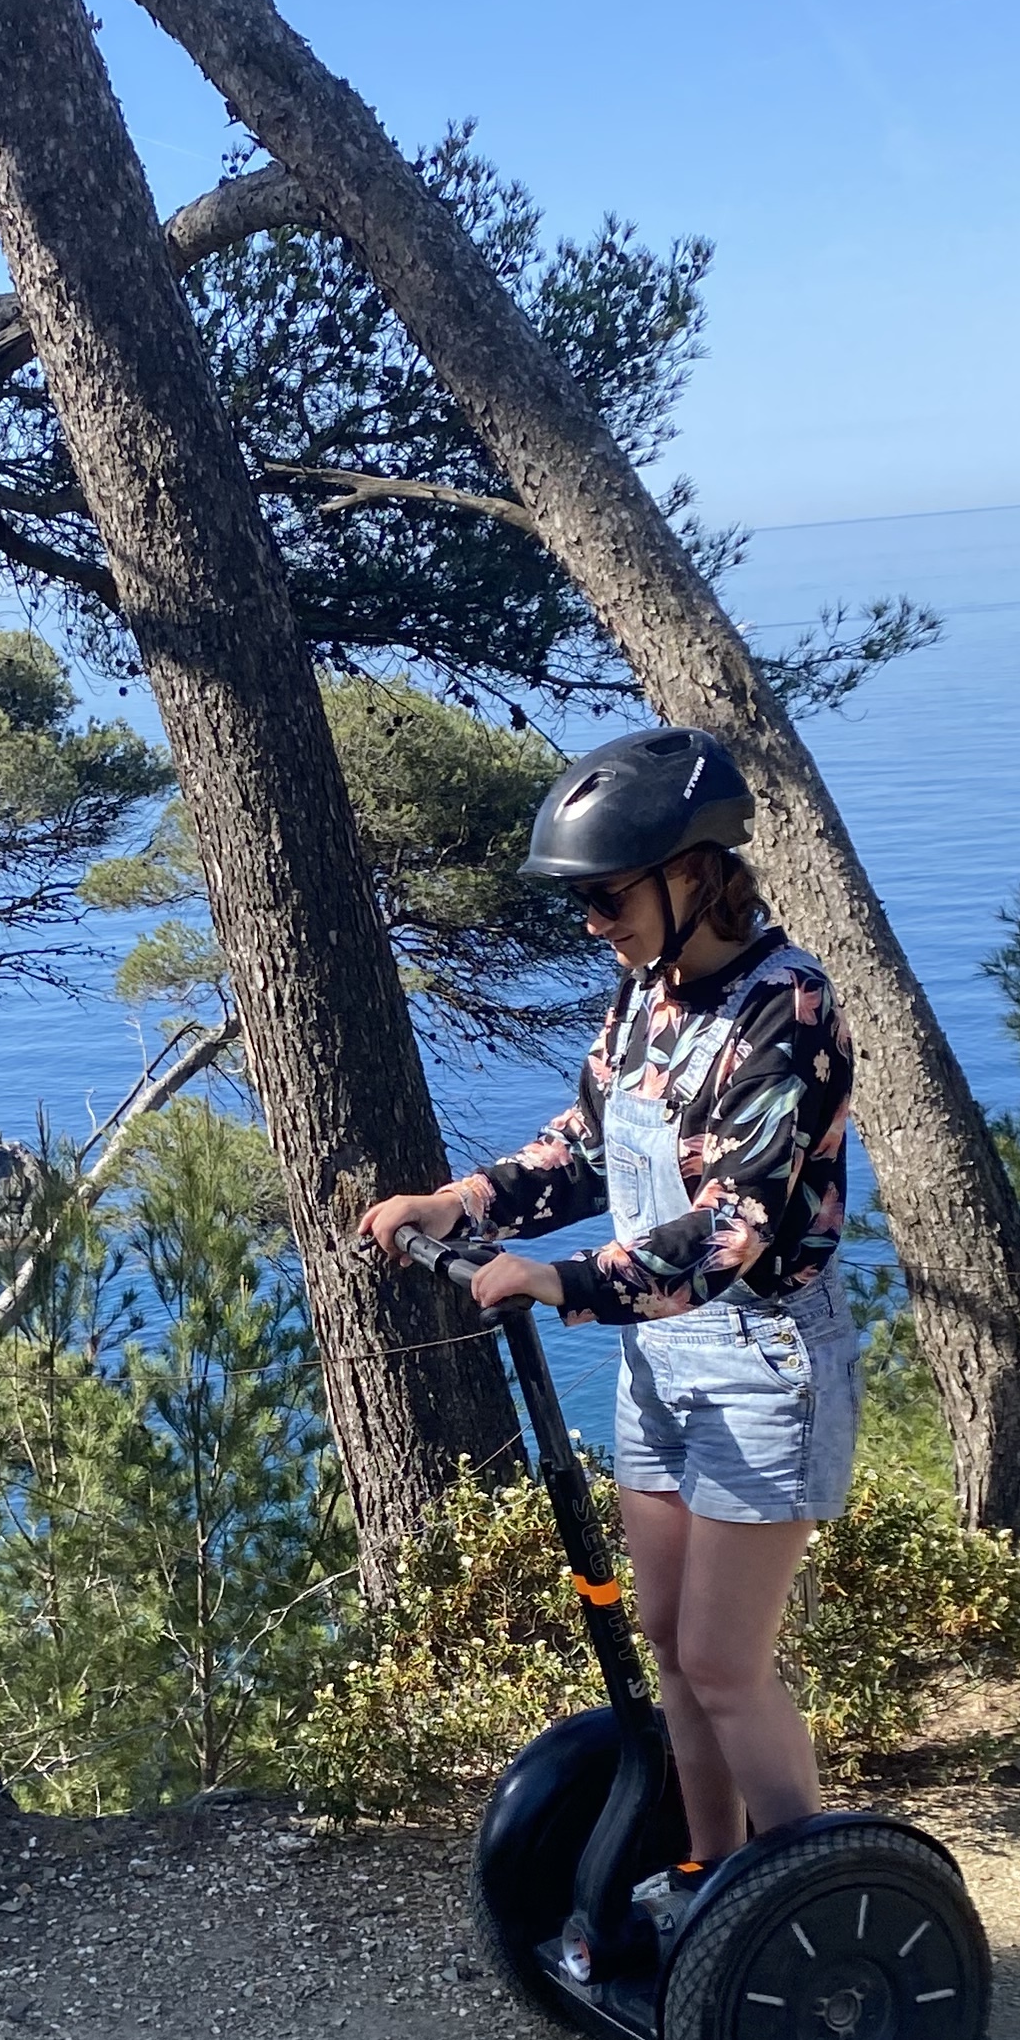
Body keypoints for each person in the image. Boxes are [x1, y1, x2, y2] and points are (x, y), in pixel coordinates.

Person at [360, 722, 860, 1913]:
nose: (593, 920)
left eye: (607, 894)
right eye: (579, 900)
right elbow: (587, 1145)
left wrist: (561, 1280)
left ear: (695, 871)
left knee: (727, 1665)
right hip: (661, 1357)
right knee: (670, 1651)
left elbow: (732, 1229)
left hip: (760, 1356)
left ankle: (824, 1908)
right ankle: (704, 1874)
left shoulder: (784, 1011)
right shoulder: (647, 999)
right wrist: (464, 1200)